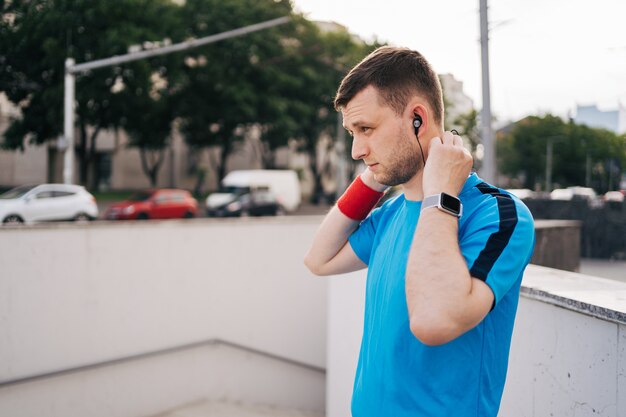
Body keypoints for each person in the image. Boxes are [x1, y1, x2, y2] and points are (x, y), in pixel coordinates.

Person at [304, 46, 535, 417]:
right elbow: (319, 259)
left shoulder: (499, 214)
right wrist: (375, 179)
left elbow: (434, 321)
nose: (356, 150)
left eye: (366, 129)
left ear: (417, 119)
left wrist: (440, 195)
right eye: (352, 132)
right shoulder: (392, 213)